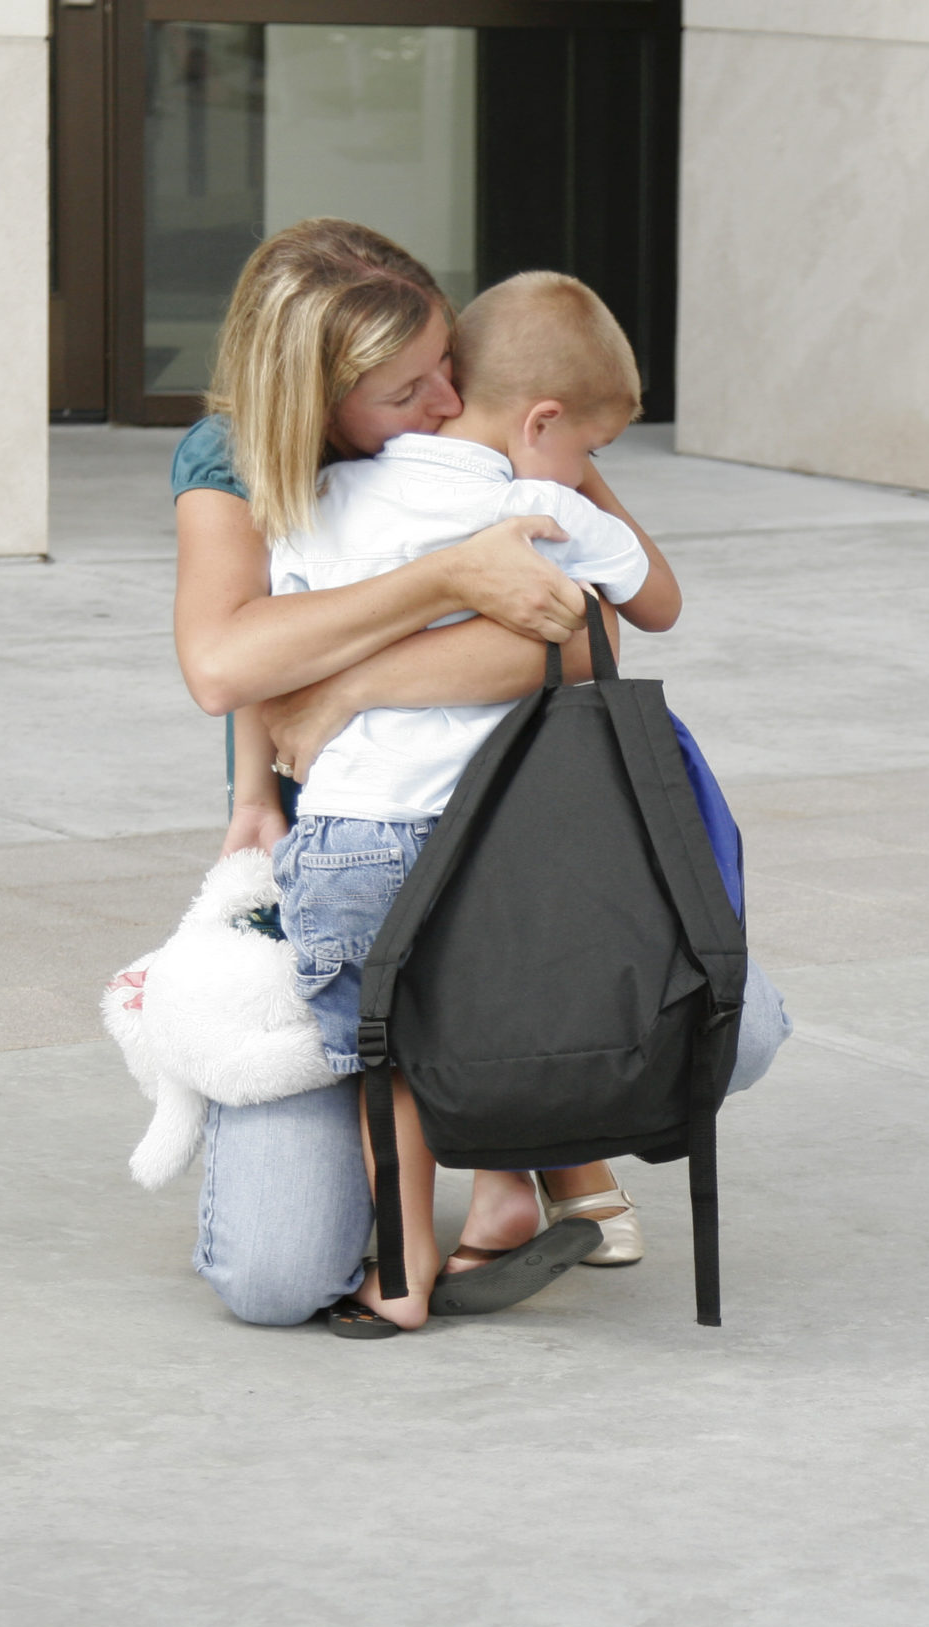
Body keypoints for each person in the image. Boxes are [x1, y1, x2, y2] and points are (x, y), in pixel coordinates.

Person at [172, 219, 786, 1328]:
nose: (449, 407)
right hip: (411, 850)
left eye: (447, 367)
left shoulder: (494, 438)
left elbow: (595, 635)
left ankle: (515, 1172)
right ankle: (525, 1154)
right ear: (313, 402)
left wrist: (352, 686)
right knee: (272, 1279)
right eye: (408, 393)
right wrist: (451, 575)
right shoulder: (251, 468)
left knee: (724, 1025)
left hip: (442, 848)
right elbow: (227, 661)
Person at [269, 271, 680, 1335]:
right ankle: (519, 1184)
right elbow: (658, 606)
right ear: (546, 424)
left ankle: (401, 1274)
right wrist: (577, 484)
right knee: (484, 1023)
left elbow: (282, 641)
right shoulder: (533, 504)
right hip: (495, 846)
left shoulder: (317, 495)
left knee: (381, 1062)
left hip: (354, 835)